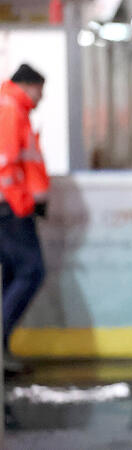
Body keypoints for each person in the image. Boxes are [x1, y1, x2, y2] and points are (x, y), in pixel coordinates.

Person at [0, 64, 49, 355]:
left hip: (12, 207)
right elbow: (5, 165)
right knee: (32, 270)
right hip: (11, 209)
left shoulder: (15, 109)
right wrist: (22, 204)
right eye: (40, 90)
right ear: (29, 85)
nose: (41, 97)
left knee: (14, 273)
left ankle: (3, 346)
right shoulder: (10, 110)